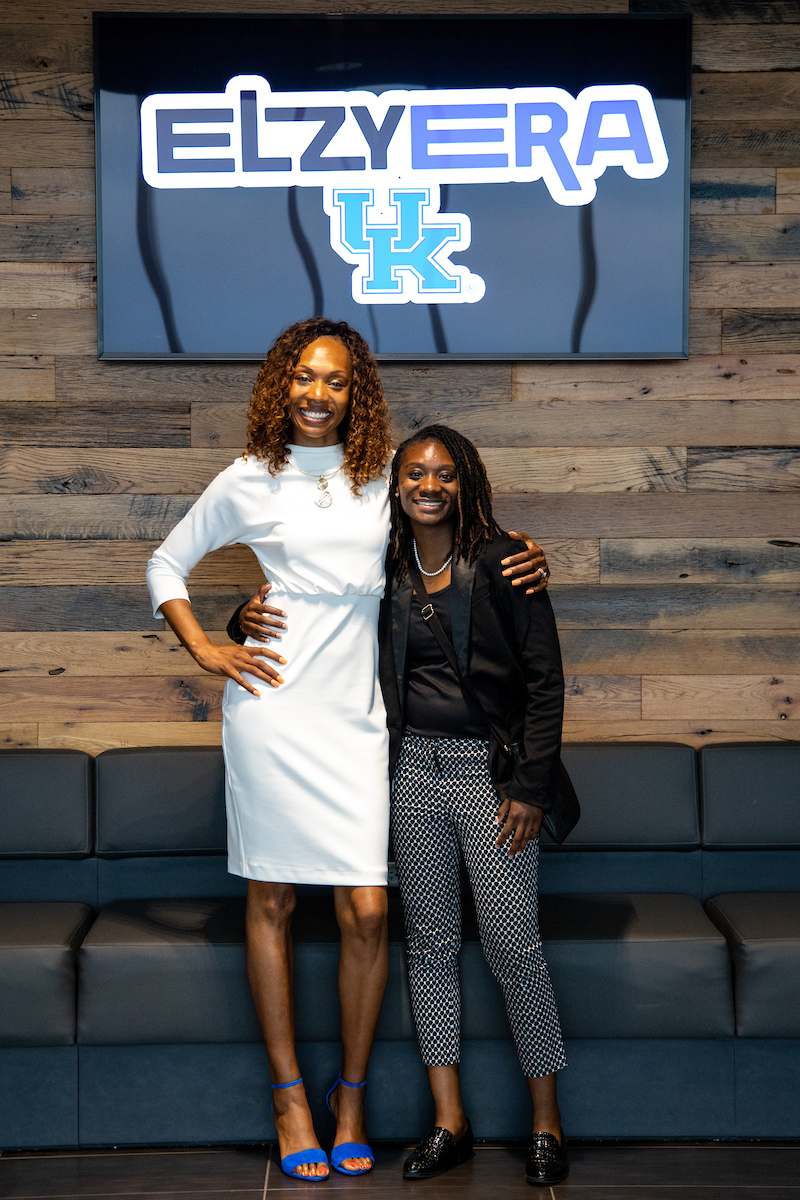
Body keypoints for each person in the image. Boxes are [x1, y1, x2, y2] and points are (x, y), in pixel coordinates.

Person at [146, 318, 549, 1181]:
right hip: (274, 714)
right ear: (279, 386)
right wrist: (213, 646)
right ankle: (291, 1099)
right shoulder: (249, 478)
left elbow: (448, 530)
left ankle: (352, 1098)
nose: (317, 393)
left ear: (356, 391)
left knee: (369, 910)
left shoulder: (380, 479)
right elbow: (164, 566)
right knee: (275, 905)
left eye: (334, 380)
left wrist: (521, 557)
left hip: (362, 722)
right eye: (302, 377)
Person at [383, 425, 570, 1187]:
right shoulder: (384, 565)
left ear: (467, 484)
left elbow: (546, 681)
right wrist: (240, 622)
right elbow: (310, 613)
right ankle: (449, 1122)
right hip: (409, 776)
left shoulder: (502, 562)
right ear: (395, 486)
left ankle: (548, 1126)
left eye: (445, 474)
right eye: (415, 473)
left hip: (489, 781)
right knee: (427, 949)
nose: (430, 485)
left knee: (513, 949)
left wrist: (529, 787)